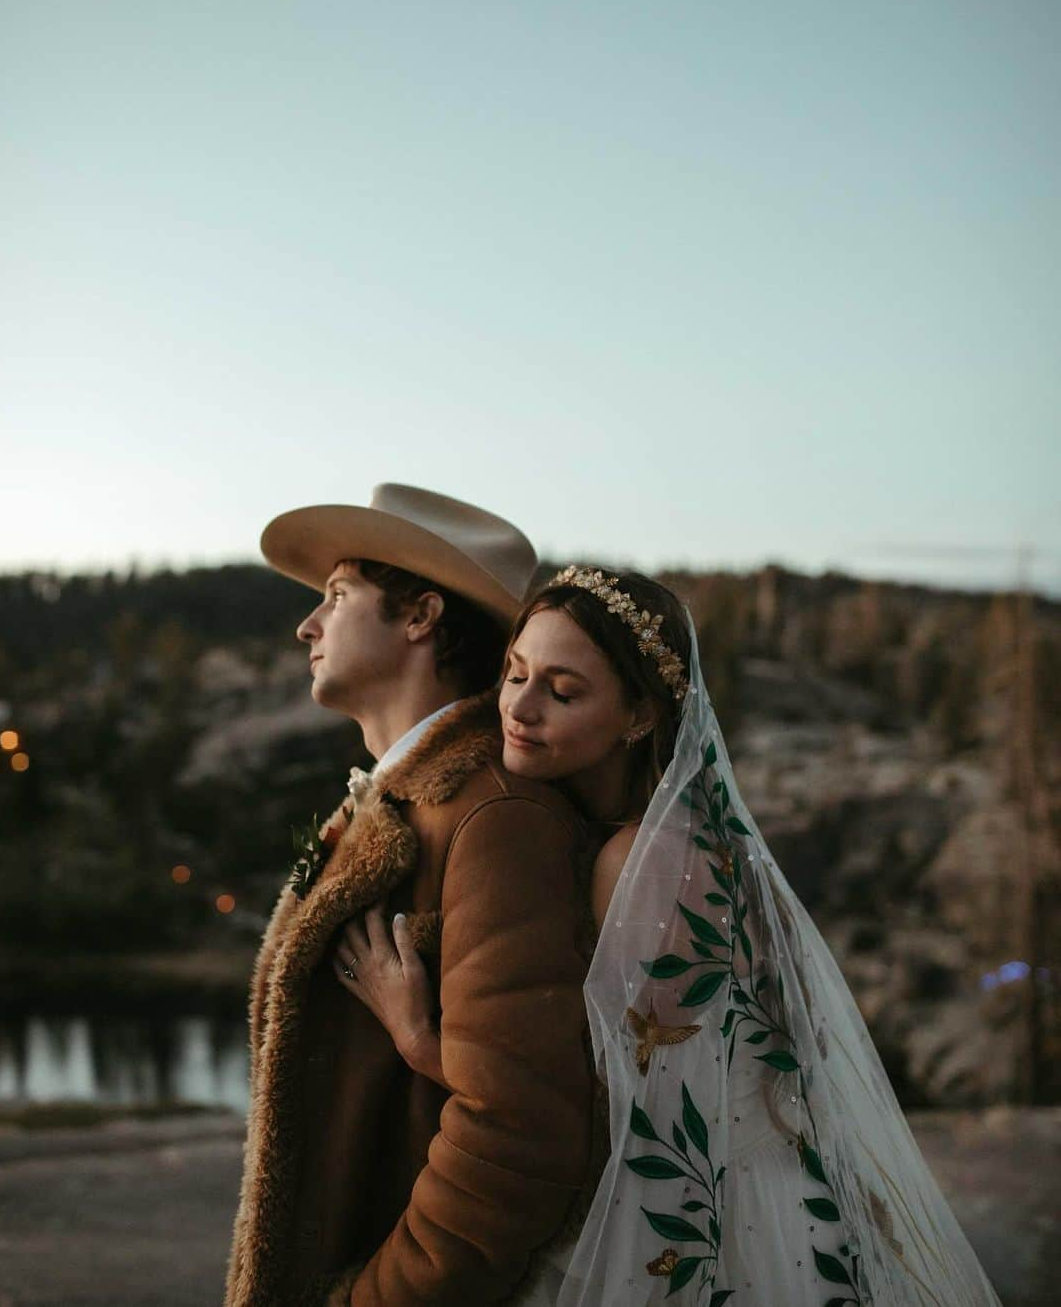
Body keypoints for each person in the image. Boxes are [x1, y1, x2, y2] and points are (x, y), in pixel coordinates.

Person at [343, 564, 1002, 1307]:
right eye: (514, 674)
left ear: (639, 718)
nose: (519, 708)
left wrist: (417, 1037)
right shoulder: (639, 835)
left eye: (562, 691)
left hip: (717, 1225)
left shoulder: (652, 859)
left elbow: (621, 1111)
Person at [224, 485, 603, 1307]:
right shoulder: (400, 802)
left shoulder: (497, 815)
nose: (307, 626)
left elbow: (522, 1130)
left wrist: (375, 1296)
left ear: (421, 615)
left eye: (336, 596)